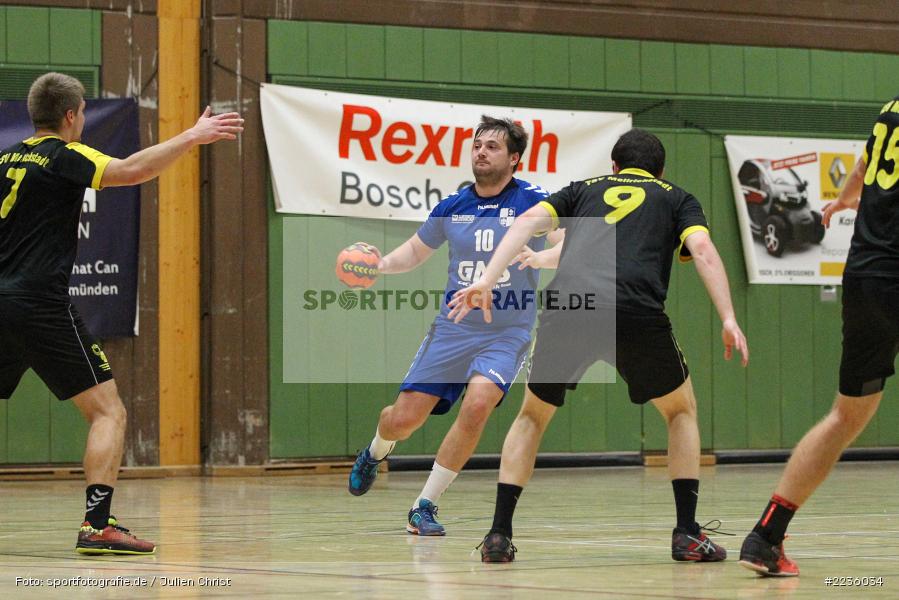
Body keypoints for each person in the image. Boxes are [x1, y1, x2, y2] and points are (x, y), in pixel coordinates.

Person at [449, 128, 749, 562]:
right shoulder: (677, 198)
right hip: (635, 310)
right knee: (680, 411)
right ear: (660, 171)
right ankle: (686, 532)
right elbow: (701, 249)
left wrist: (486, 279)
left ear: (614, 166)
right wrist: (728, 317)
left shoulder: (582, 190)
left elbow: (527, 222)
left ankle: (498, 534)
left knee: (531, 416)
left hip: (569, 307)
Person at [0, 72, 243, 555]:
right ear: (71, 115)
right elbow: (131, 170)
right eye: (82, 115)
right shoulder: (64, 154)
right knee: (107, 412)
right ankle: (97, 525)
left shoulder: (5, 157)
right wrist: (192, 136)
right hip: (38, 303)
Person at [348, 115, 562, 536]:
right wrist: (379, 265)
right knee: (403, 421)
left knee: (478, 405)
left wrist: (541, 258)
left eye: (492, 146)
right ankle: (375, 451)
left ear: (514, 158)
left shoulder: (534, 202)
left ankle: (424, 505)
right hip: (454, 328)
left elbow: (569, 242)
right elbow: (414, 252)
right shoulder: (453, 205)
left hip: (507, 331)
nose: (481, 152)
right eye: (477, 145)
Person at [738, 95, 899, 577]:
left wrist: (847, 198)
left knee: (846, 415)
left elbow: (866, 166)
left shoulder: (891, 107)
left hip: (867, 275)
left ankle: (766, 536)